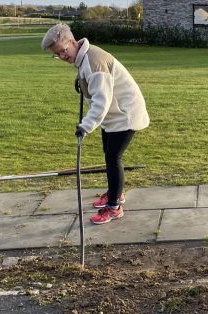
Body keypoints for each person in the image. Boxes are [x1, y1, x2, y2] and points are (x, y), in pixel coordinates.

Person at [41, 23, 149, 224]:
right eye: (57, 54)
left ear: (72, 42)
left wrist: (85, 126)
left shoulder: (94, 61)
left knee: (113, 158)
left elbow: (102, 102)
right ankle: (115, 193)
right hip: (114, 116)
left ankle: (114, 207)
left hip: (125, 115)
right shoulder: (84, 57)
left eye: (63, 51)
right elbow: (90, 79)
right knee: (109, 154)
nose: (62, 56)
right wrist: (81, 80)